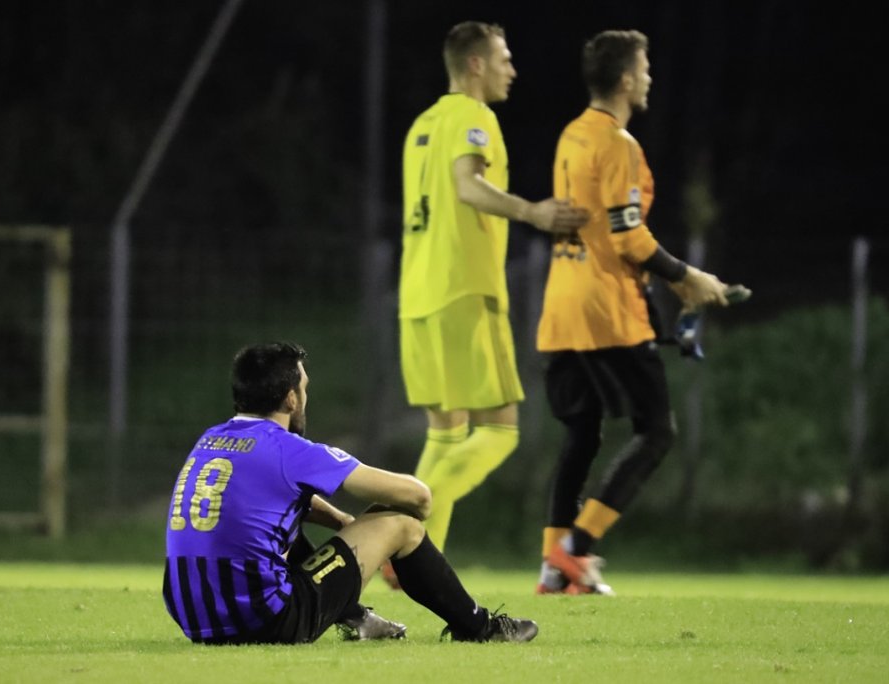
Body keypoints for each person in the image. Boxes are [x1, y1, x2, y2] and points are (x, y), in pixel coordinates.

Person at [533, 30, 738, 595]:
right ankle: (577, 548)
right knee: (656, 431)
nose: (649, 78)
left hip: (561, 306)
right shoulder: (619, 143)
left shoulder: (572, 135)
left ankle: (554, 567)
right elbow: (626, 236)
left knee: (582, 433)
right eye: (644, 69)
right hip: (606, 309)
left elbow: (593, 226)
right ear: (625, 79)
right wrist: (687, 277)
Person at [162, 342, 539, 644]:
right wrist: (381, 525)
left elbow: (270, 503)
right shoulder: (290, 450)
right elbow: (420, 497)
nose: (305, 398)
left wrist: (343, 523)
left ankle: (357, 618)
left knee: (278, 523)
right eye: (304, 389)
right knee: (401, 523)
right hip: (263, 621)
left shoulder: (212, 440)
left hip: (193, 617)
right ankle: (479, 627)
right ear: (291, 399)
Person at [395, 21, 589, 576]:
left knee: (446, 431)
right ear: (475, 65)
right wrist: (533, 212)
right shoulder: (474, 117)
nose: (512, 68)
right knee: (501, 432)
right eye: (504, 58)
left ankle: (414, 560)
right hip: (464, 291)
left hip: (417, 297)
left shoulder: (422, 125)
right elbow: (466, 186)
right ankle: (397, 521)